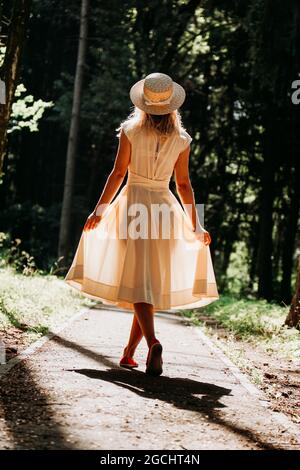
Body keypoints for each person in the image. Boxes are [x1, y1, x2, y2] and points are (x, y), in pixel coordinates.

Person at [65, 72, 219, 377]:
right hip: (164, 209)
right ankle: (129, 353)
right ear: (172, 106)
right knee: (147, 281)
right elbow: (184, 185)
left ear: (143, 104)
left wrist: (99, 210)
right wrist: (196, 225)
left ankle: (152, 342)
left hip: (133, 206)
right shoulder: (182, 139)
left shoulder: (130, 131)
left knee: (139, 279)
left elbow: (118, 173)